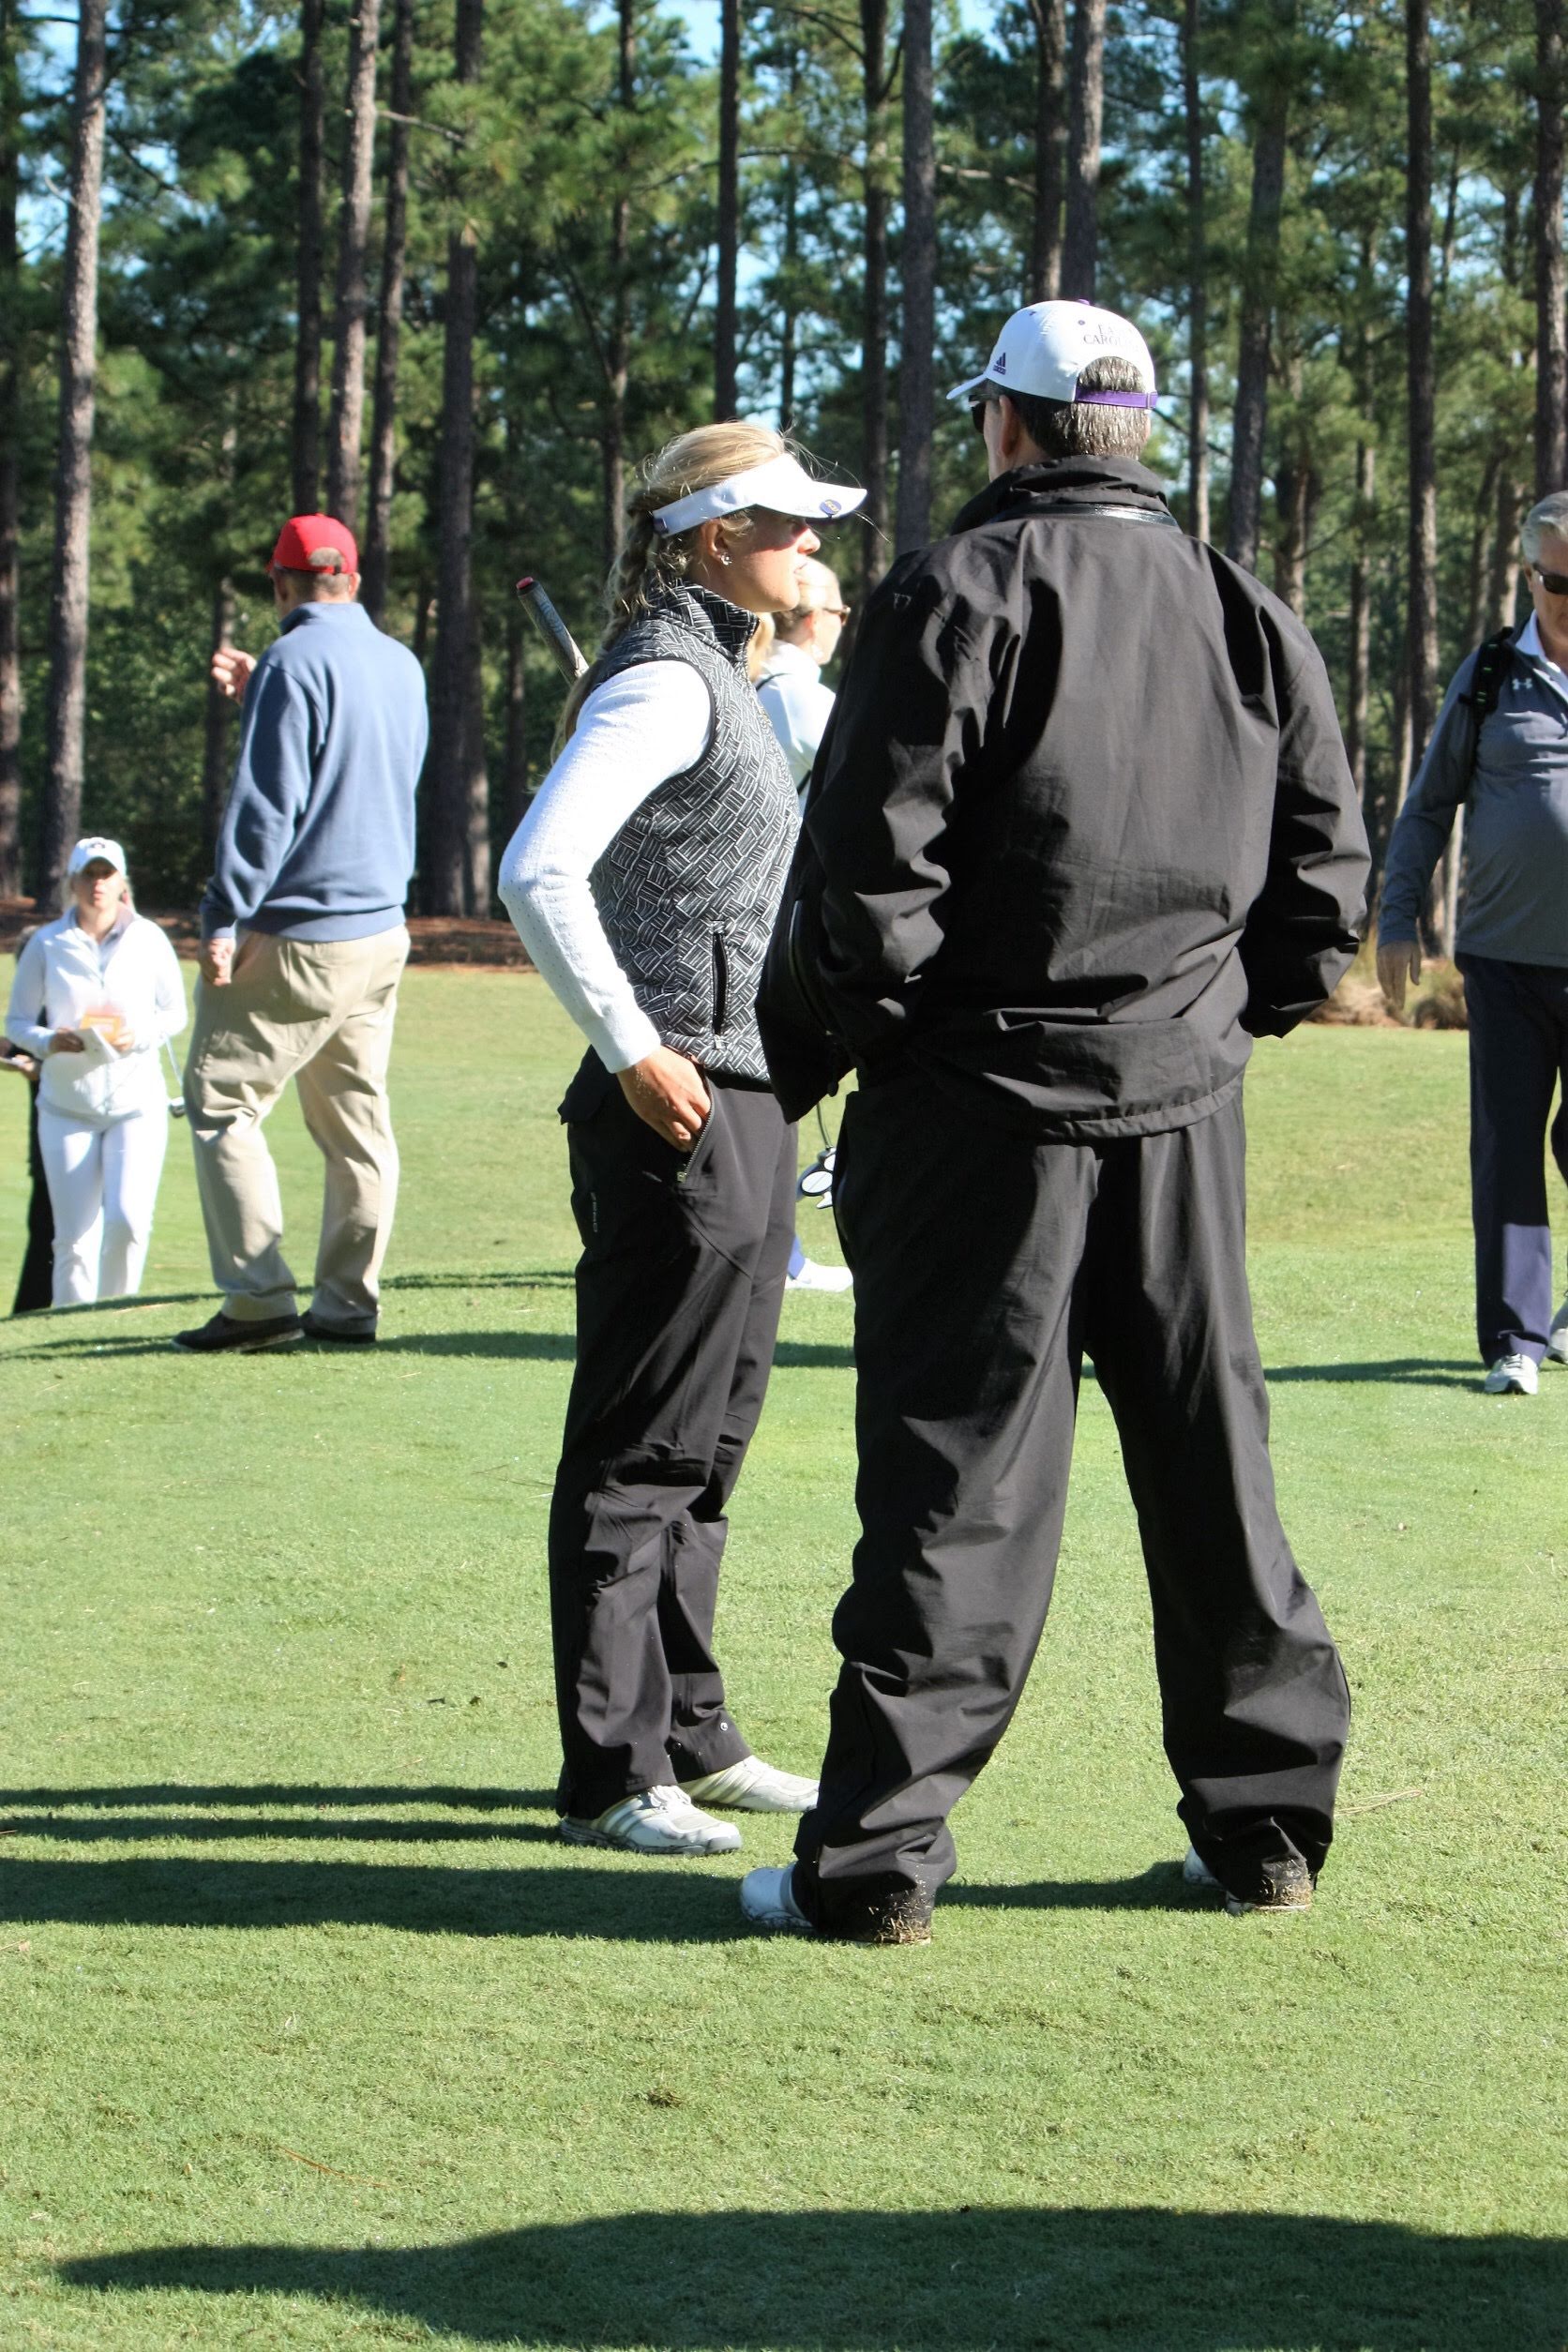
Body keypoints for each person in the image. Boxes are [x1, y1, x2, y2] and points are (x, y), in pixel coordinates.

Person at [742, 299, 1370, 1942]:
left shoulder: (955, 588)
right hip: (1176, 1107)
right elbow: (1324, 887)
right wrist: (1213, 1025)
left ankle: (877, 1863)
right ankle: (1264, 1830)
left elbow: (866, 874)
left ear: (1007, 426)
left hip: (980, 1113)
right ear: (1135, 437)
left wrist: (853, 1048)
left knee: (958, 1479)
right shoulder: (1241, 606)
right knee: (1211, 1462)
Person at [498, 423, 866, 1858]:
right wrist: (631, 1043)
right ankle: (610, 1767)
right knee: (641, 1446)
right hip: (678, 1101)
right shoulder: (663, 677)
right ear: (717, 537)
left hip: (748, 1096)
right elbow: (539, 868)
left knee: (710, 1442)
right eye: (788, 524)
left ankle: (690, 1735)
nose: (812, 545)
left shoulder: (732, 672)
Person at [174, 513, 428, 1354]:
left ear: (281, 585)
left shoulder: (290, 660)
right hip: (380, 933)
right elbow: (356, 763)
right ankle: (347, 1305)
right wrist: (267, 692)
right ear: (351, 579)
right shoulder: (399, 662)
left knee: (221, 1101)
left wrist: (223, 912)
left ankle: (259, 1302)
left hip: (298, 932)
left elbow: (268, 809)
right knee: (356, 1122)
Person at [1378, 491, 1568, 1397]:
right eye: (1560, 583)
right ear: (1530, 576)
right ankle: (1516, 1340)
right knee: (1507, 1147)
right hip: (1502, 961)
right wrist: (1397, 918)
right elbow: (1427, 806)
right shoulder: (1490, 675)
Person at [6, 837, 186, 1307]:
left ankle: (114, 1317)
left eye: (106, 874)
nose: (97, 884)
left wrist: (136, 1037)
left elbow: (175, 1013)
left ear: (122, 881)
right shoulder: (47, 943)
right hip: (67, 1107)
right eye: (88, 874)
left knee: (129, 1222)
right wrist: (49, 1041)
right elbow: (17, 1023)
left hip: (136, 1104)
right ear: (72, 882)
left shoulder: (149, 939)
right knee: (73, 1238)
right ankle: (72, 1325)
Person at [756, 558, 855, 1298]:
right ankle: (773, 1249)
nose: (843, 625)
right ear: (814, 618)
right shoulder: (796, 697)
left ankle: (773, 1245)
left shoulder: (760, 686)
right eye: (841, 613)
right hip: (783, 920)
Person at [2, 1019, 54, 1315]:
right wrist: (15, 1049)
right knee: (44, 1224)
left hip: (104, 1112)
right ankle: (28, 1316)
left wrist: (42, 1067)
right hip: (50, 1115)